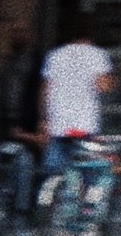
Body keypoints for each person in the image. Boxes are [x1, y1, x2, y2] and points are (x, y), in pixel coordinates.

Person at [39, 16, 115, 173]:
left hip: (58, 125)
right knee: (86, 173)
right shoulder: (98, 56)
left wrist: (44, 120)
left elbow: (45, 92)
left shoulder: (55, 55)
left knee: (54, 174)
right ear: (93, 33)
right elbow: (103, 87)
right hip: (84, 125)